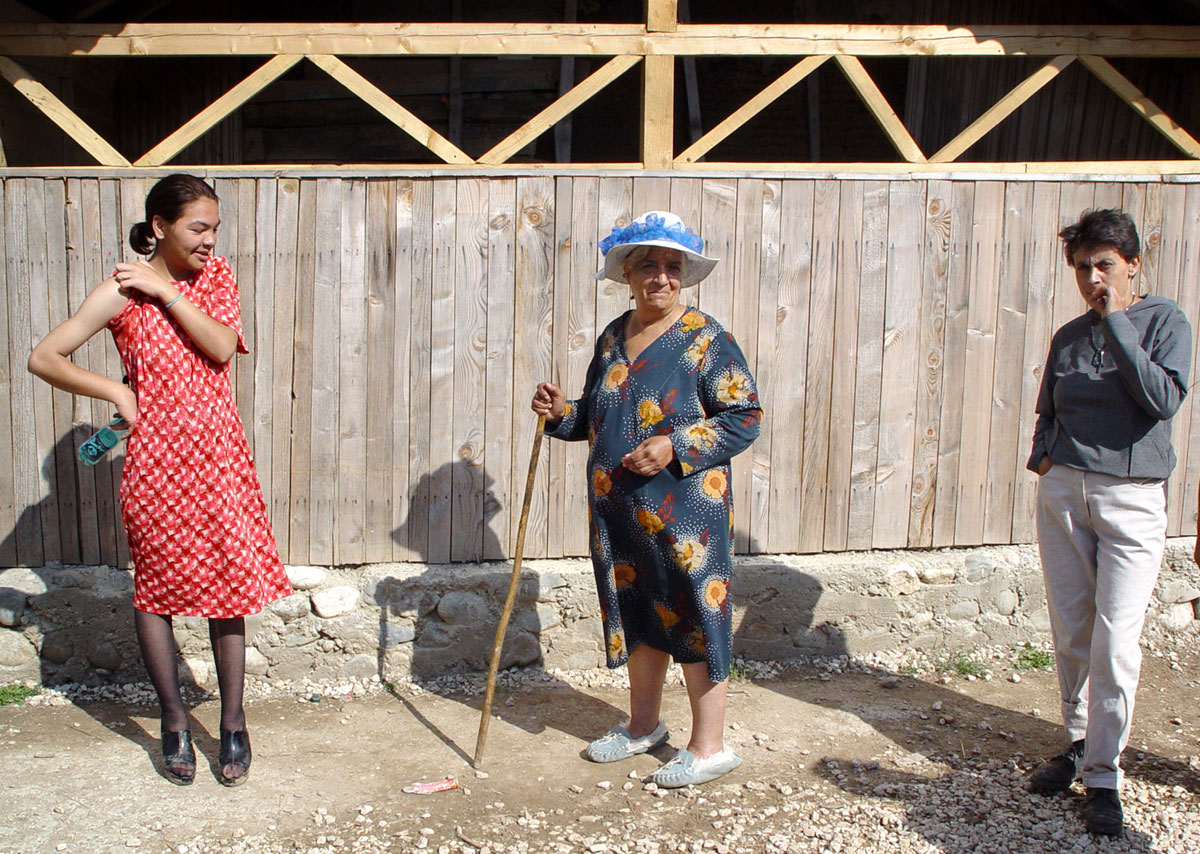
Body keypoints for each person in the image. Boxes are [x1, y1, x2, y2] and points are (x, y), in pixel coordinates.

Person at [28, 174, 292, 786]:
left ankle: (232, 723)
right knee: (156, 591)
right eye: (198, 228)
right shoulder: (120, 294)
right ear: (160, 228)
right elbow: (45, 356)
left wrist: (165, 290)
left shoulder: (215, 280)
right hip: (155, 462)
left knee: (229, 588)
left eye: (214, 229)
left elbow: (222, 346)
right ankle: (173, 722)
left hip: (220, 457)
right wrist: (115, 389)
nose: (209, 240)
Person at [531, 211, 762, 787]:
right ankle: (643, 727)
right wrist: (561, 412)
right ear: (628, 275)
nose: (661, 277)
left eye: (672, 267)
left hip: (687, 514)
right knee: (637, 614)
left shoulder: (707, 339)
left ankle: (709, 746)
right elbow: (595, 414)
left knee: (694, 615)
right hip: (619, 513)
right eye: (649, 267)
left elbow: (746, 417)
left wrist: (674, 446)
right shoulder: (614, 335)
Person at [1025, 209, 1191, 836]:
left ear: (1133, 265)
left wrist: (1117, 318)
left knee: (1116, 640)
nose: (1092, 276)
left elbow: (1163, 398)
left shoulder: (1164, 321)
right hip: (1066, 490)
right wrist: (1046, 456)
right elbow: (1049, 404)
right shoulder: (1068, 335)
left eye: (1105, 264)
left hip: (1132, 497)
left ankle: (1104, 774)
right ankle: (1073, 744)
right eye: (1082, 266)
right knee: (1071, 628)